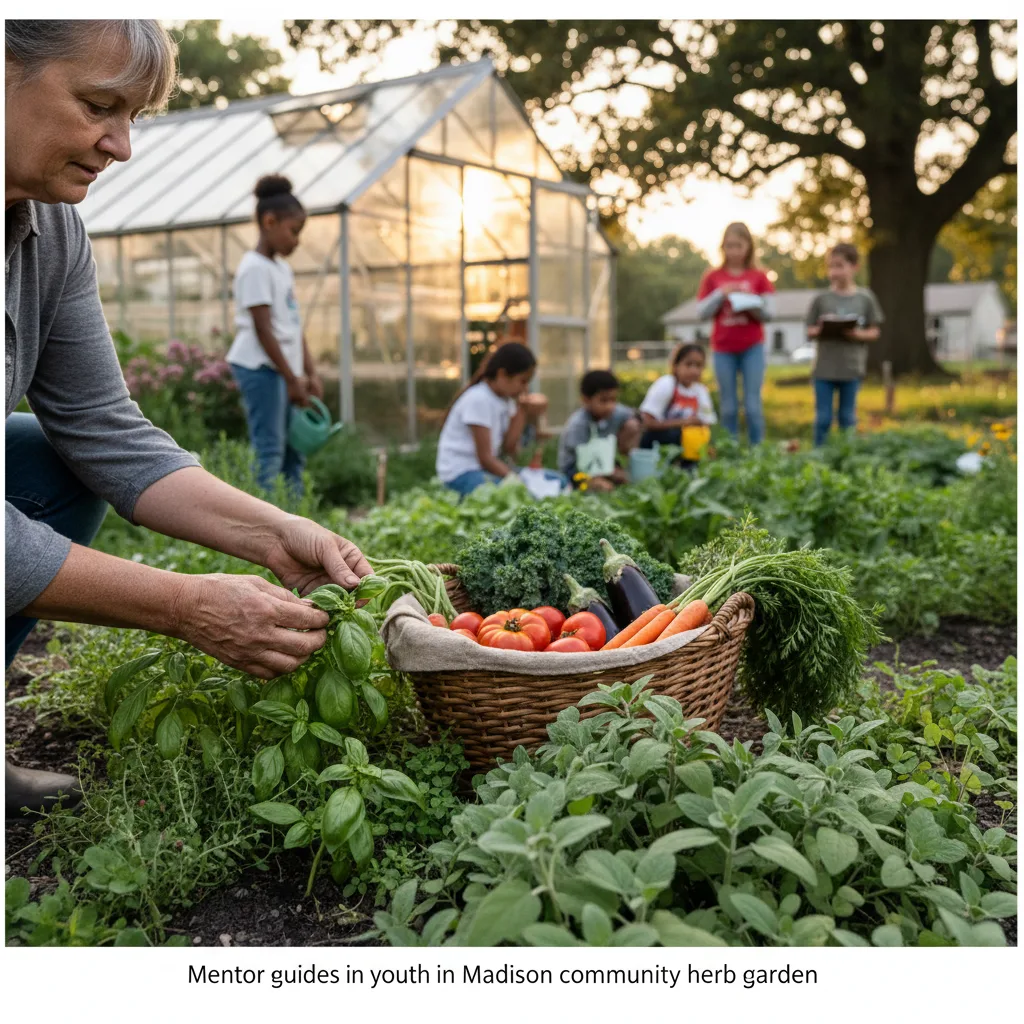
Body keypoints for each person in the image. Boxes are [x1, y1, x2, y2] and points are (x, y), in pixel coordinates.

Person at [5, 20, 371, 815]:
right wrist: (185, 605)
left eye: (134, 116)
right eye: (100, 105)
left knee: (48, 461)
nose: (120, 145)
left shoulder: (48, 229)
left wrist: (274, 533)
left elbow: (105, 429)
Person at [227, 175, 321, 495]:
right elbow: (263, 330)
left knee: (294, 449)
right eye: (293, 231)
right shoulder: (253, 268)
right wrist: (292, 379)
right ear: (269, 222)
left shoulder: (281, 269)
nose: (297, 241)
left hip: (282, 371)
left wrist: (309, 371)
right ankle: (268, 528)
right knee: (271, 448)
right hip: (260, 369)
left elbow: (293, 326)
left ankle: (298, 520)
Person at [696, 222, 774, 445]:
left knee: (752, 404)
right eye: (729, 246)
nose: (734, 251)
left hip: (752, 347)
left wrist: (750, 304)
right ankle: (729, 449)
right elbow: (701, 311)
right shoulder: (713, 277)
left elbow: (770, 313)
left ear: (749, 247)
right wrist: (721, 294)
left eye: (739, 245)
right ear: (722, 247)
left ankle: (757, 450)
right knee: (728, 405)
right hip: (723, 348)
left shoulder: (759, 277)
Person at [435, 342, 546, 497]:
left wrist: (523, 410)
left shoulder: (505, 401)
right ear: (502, 375)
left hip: (486, 470)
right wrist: (518, 482)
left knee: (557, 480)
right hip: (463, 473)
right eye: (523, 381)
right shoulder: (479, 399)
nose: (525, 388)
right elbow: (485, 459)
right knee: (523, 494)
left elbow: (510, 448)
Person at [805, 243, 884, 445]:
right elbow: (809, 330)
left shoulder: (865, 299)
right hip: (824, 369)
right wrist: (824, 329)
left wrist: (855, 334)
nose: (834, 272)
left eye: (839, 266)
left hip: (851, 368)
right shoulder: (821, 299)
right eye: (830, 266)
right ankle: (819, 456)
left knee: (847, 418)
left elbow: (875, 331)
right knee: (823, 418)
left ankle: (845, 456)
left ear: (854, 267)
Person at [557, 370, 641, 492]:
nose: (610, 406)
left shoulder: (615, 412)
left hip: (602, 461)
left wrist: (627, 441)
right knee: (602, 487)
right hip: (576, 469)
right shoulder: (578, 425)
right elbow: (582, 463)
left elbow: (636, 416)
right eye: (603, 400)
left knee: (632, 425)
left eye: (613, 400)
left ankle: (615, 472)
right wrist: (605, 475)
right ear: (586, 400)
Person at [638, 344, 718, 469]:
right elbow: (646, 422)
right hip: (658, 442)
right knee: (678, 434)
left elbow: (706, 424)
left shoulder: (701, 390)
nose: (694, 371)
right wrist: (684, 422)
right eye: (688, 364)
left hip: (688, 445)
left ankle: (689, 467)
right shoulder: (666, 384)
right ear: (675, 366)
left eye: (698, 366)